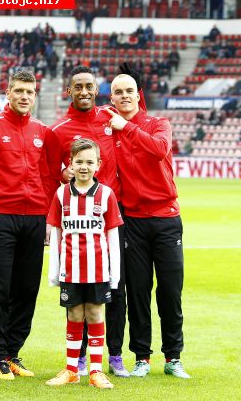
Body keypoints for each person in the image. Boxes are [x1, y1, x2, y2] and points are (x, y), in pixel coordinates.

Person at [51, 64, 146, 378]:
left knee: (115, 288)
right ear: (70, 91)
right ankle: (77, 359)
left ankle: (115, 355)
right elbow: (51, 174)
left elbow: (137, 112)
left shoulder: (109, 118)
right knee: (77, 290)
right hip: (76, 224)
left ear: (96, 90)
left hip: (111, 217)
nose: (84, 92)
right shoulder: (59, 130)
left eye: (89, 86)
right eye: (78, 87)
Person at [0, 70, 60, 380]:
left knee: (26, 289)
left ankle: (13, 352)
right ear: (8, 93)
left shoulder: (43, 132)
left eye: (29, 92)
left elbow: (49, 178)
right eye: (18, 91)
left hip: (34, 220)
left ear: (35, 96)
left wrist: (49, 219)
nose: (24, 96)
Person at [105, 74, 190, 379]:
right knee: (137, 292)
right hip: (133, 222)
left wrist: (125, 127)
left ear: (138, 95)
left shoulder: (159, 124)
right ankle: (142, 357)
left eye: (129, 91)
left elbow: (158, 149)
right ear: (112, 98)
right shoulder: (109, 129)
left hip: (166, 219)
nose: (124, 96)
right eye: (118, 92)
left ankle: (173, 357)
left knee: (170, 292)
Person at [45, 138, 122, 389]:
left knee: (95, 313)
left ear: (98, 165)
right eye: (79, 162)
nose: (84, 167)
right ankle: (71, 370)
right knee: (74, 314)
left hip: (98, 270)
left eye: (89, 162)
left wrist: (115, 275)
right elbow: (56, 235)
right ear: (71, 164)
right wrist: (54, 273)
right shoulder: (61, 194)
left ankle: (96, 372)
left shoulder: (106, 194)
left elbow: (112, 237)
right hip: (71, 269)